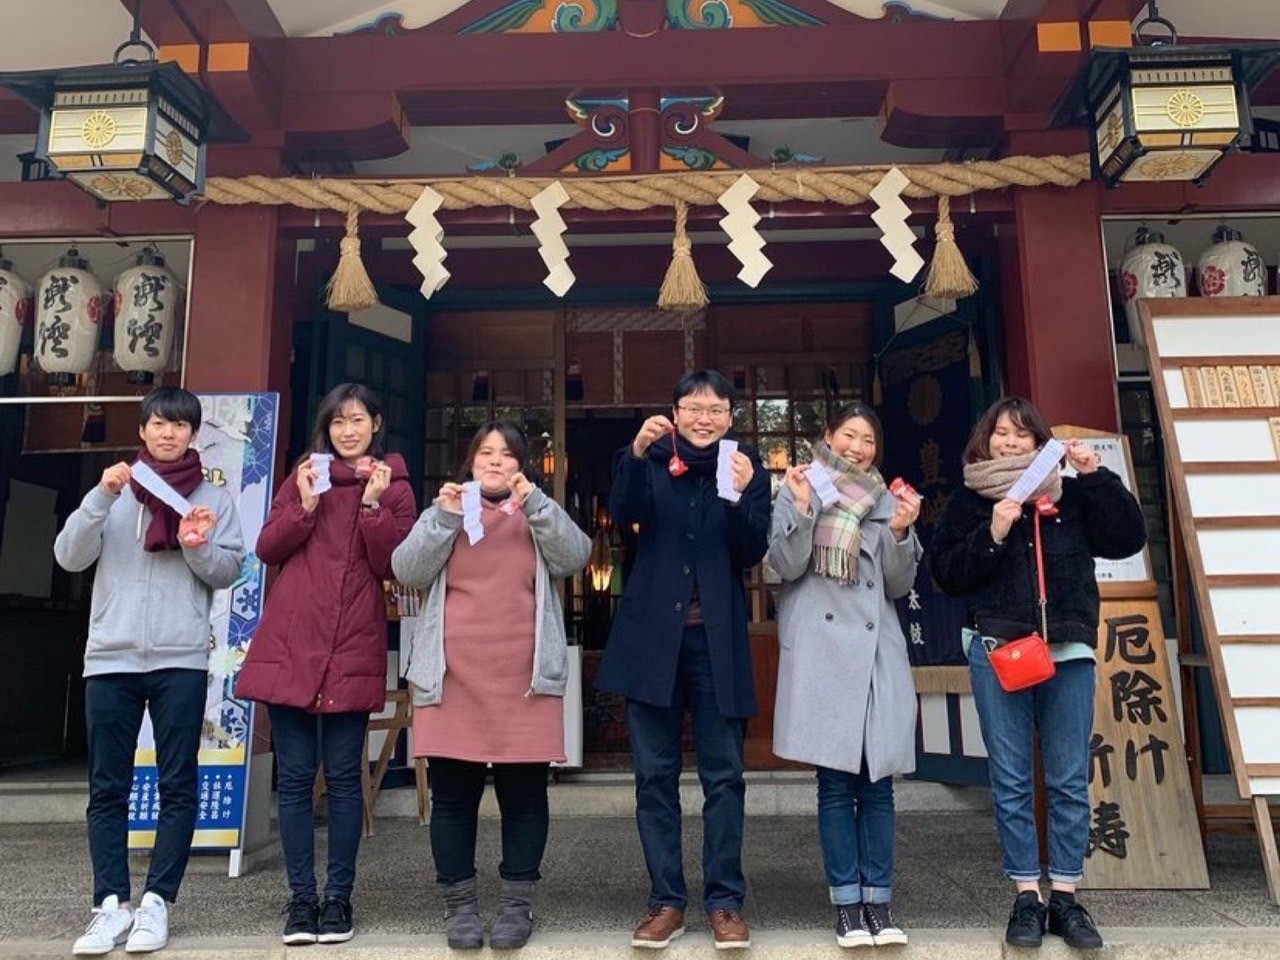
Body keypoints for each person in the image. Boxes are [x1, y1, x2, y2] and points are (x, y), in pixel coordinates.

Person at [929, 396, 1146, 951]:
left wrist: (1096, 478)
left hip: (1066, 648)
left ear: (1039, 443)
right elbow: (947, 575)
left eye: (1022, 435)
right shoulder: (971, 501)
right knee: (1012, 779)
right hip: (999, 648)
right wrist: (994, 533)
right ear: (984, 440)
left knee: (1070, 776)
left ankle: (1067, 897)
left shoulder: (1069, 496)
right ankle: (1027, 895)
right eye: (1000, 433)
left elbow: (1127, 538)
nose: (1009, 442)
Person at [54, 387, 245, 956]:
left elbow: (227, 569)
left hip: (179, 656)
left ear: (194, 434)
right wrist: (98, 497)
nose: (168, 434)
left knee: (177, 784)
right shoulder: (116, 489)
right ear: (142, 430)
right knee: (106, 787)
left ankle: (158, 900)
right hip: (110, 656)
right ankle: (108, 904)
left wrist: (195, 545)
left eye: (180, 426)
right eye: (159, 424)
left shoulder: (212, 495)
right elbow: (69, 556)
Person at [391, 421, 589, 951]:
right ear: (470, 462)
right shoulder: (448, 511)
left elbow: (576, 557)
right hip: (453, 676)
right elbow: (405, 569)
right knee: (454, 799)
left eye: (506, 454)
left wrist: (538, 504)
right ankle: (459, 907)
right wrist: (442, 518)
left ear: (521, 464)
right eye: (485, 453)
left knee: (522, 798)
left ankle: (515, 907)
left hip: (523, 680)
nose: (495, 462)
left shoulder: (535, 513)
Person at [236, 383, 416, 946]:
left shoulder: (395, 487)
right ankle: (300, 901)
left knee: (342, 780)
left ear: (377, 424)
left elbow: (396, 564)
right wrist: (306, 505)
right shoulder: (303, 477)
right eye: (337, 421)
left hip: (352, 642)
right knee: (292, 781)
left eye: (357, 420)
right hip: (291, 643)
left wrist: (370, 507)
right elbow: (267, 548)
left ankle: (338, 899)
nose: (347, 430)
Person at [597, 370, 770, 951]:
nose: (704, 417)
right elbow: (625, 516)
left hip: (716, 643)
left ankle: (725, 902)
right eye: (693, 407)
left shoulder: (743, 467)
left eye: (716, 408)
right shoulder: (649, 459)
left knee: (725, 778)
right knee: (654, 778)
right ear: (674, 411)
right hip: (653, 641)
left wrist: (746, 494)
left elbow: (751, 551)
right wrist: (635, 451)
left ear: (729, 416)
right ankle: (666, 901)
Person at [766, 402, 921, 948]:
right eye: (849, 435)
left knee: (878, 784)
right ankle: (846, 905)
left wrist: (902, 534)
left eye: (868, 440)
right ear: (829, 436)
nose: (858, 447)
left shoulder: (888, 500)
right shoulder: (799, 485)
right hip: (823, 649)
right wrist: (804, 511)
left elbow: (899, 586)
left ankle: (879, 901)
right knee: (834, 783)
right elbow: (781, 566)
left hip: (876, 653)